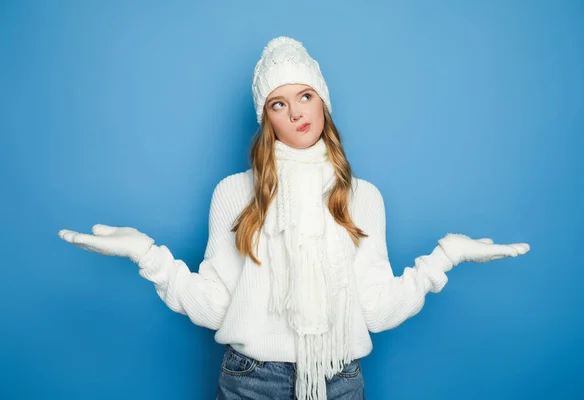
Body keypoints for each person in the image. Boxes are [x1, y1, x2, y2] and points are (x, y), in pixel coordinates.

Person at [58, 36, 530, 400]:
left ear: (323, 100)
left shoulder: (363, 197)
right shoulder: (234, 192)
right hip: (250, 380)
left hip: (339, 380)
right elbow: (216, 304)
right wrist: (148, 256)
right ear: (267, 118)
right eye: (278, 104)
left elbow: (375, 309)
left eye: (304, 96)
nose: (296, 112)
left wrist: (444, 259)